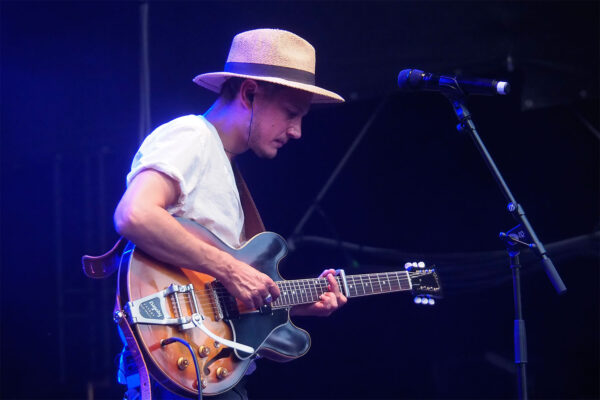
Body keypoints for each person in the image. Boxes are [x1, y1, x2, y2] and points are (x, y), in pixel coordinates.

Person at [113, 29, 347, 399]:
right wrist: (232, 268)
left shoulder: (222, 162)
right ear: (249, 92)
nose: (298, 131)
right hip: (181, 371)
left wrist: (291, 302)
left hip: (208, 368)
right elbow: (134, 214)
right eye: (291, 113)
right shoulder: (192, 135)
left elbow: (216, 296)